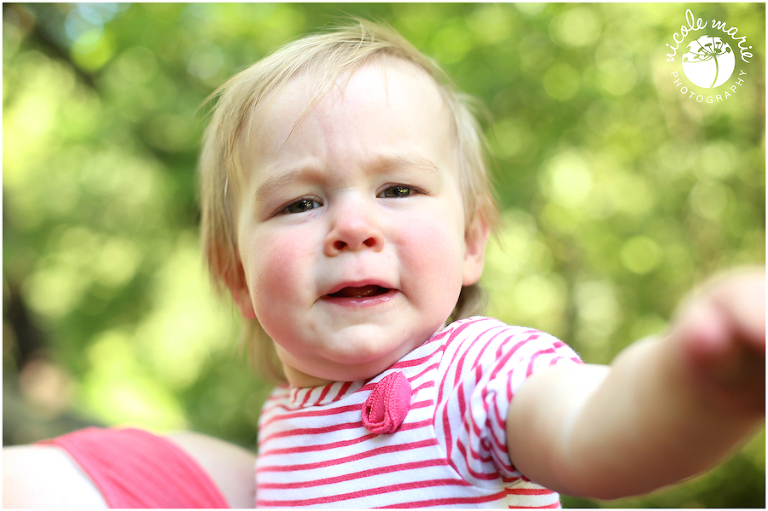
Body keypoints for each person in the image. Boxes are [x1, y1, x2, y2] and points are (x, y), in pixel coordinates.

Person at [4, 19, 764, 509]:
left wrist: (695, 385)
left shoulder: (478, 371)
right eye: (300, 203)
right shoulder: (287, 432)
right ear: (237, 277)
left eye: (397, 189)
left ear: (472, 242)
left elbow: (596, 430)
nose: (353, 226)